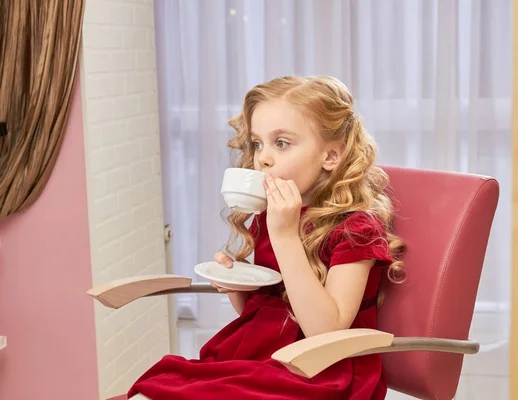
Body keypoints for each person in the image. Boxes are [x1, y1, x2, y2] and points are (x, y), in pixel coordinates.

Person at [127, 76, 405, 400]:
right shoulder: (275, 216)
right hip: (261, 354)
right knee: (160, 385)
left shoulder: (356, 229)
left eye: (282, 143)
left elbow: (325, 331)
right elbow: (269, 308)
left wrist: (285, 236)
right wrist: (237, 287)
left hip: (320, 372)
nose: (263, 158)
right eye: (258, 143)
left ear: (330, 155)